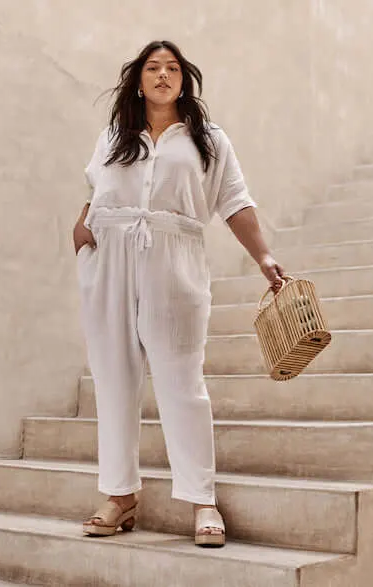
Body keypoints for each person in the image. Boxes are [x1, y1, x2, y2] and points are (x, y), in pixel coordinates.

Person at [73, 40, 284, 548]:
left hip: (175, 257)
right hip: (110, 258)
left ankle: (201, 499)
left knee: (182, 383)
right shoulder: (113, 135)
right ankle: (120, 496)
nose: (162, 74)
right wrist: (80, 228)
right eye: (152, 67)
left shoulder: (209, 140)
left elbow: (235, 202)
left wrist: (263, 257)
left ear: (184, 79)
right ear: (138, 79)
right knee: (114, 380)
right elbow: (93, 189)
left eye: (172, 68)